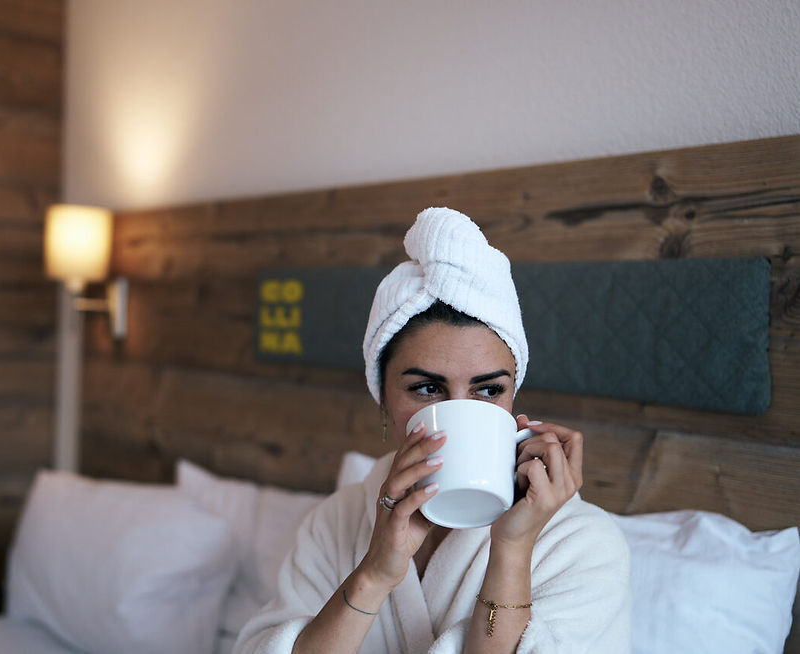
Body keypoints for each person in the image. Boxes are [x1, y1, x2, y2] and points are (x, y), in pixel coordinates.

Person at [233, 207, 631, 654]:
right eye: (426, 388)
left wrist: (513, 549)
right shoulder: (336, 522)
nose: (458, 412)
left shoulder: (582, 544)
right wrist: (376, 572)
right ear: (383, 400)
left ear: (512, 399)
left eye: (488, 390)